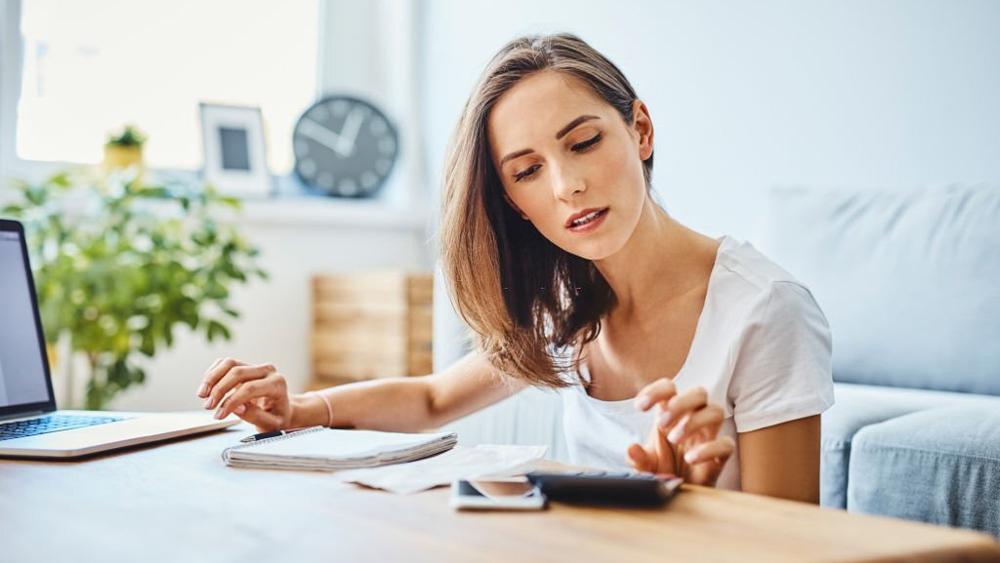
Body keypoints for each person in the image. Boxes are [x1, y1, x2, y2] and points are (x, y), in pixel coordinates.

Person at [196, 33, 833, 503]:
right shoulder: (568, 302)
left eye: (584, 142)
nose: (567, 186)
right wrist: (297, 410)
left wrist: (694, 499)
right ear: (513, 204)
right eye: (527, 171)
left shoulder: (764, 308)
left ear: (640, 130)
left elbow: (797, 542)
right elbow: (433, 397)